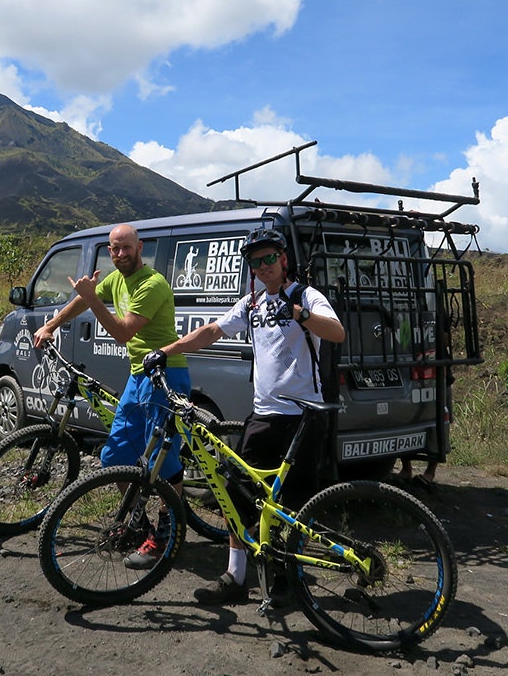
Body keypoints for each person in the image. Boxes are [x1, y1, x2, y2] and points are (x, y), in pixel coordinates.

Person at [144, 227, 346, 604]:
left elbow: (336, 333)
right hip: (264, 415)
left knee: (295, 505)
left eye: (270, 258)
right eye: (255, 261)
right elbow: (211, 331)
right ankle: (236, 578)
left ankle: (290, 575)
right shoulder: (251, 303)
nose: (263, 266)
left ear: (284, 260)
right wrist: (166, 350)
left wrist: (299, 314)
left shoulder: (306, 295)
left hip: (302, 417)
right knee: (237, 496)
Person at [33, 223, 189, 569]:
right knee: (114, 454)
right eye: (113, 249)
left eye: (125, 248)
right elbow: (80, 301)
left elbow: (121, 333)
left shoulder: (152, 283)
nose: (119, 254)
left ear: (140, 247)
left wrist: (92, 299)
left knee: (162, 464)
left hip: (166, 376)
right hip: (138, 376)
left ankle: (168, 533)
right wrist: (51, 325)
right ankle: (139, 524)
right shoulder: (116, 279)